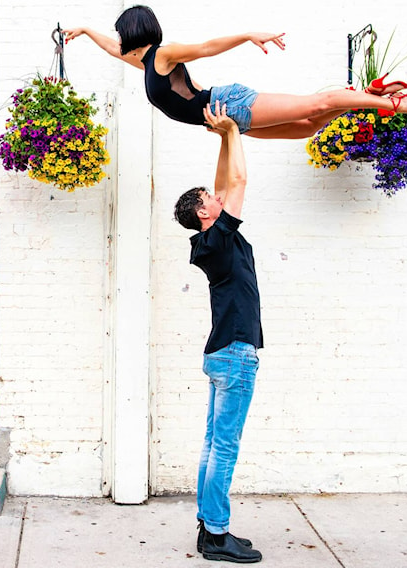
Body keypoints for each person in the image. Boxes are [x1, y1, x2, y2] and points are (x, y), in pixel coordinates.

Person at [64, 5, 407, 139]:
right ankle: (372, 94)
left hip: (228, 104)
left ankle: (399, 104)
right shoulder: (145, 62)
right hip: (226, 120)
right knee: (309, 128)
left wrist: (246, 35)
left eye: (119, 31)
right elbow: (115, 52)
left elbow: (207, 47)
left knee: (314, 104)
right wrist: (83, 31)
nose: (117, 38)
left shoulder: (163, 55)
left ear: (133, 29)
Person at [174, 102, 264, 563]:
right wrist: (234, 131)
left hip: (222, 355)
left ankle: (210, 526)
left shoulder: (209, 240)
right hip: (235, 354)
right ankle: (216, 534)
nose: (217, 195)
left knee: (214, 443)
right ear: (205, 213)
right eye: (209, 198)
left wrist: (224, 140)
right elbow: (240, 183)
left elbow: (226, 183)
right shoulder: (218, 237)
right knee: (224, 445)